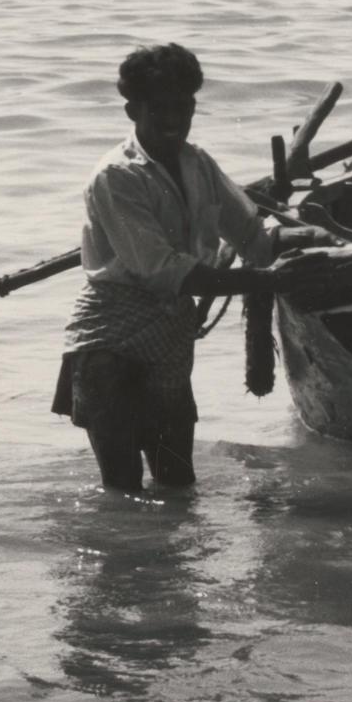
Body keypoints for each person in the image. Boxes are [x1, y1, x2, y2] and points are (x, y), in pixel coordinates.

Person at [53, 42, 275, 495]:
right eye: (161, 108)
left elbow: (251, 237)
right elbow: (162, 270)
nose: (175, 119)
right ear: (133, 109)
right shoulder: (116, 175)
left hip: (171, 337)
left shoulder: (199, 164)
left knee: (178, 485)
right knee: (123, 490)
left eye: (184, 107)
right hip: (110, 339)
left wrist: (303, 243)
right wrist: (266, 281)